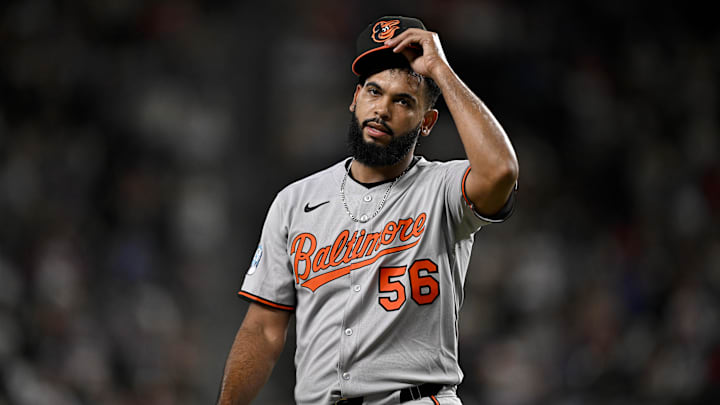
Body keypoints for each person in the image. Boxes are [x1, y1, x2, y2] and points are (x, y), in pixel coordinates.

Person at [217, 16, 519, 405]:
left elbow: (501, 171)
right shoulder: (295, 201)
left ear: (427, 122)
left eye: (403, 101)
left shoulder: (442, 188)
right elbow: (262, 330)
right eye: (374, 92)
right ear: (355, 98)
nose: (382, 109)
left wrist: (440, 72)